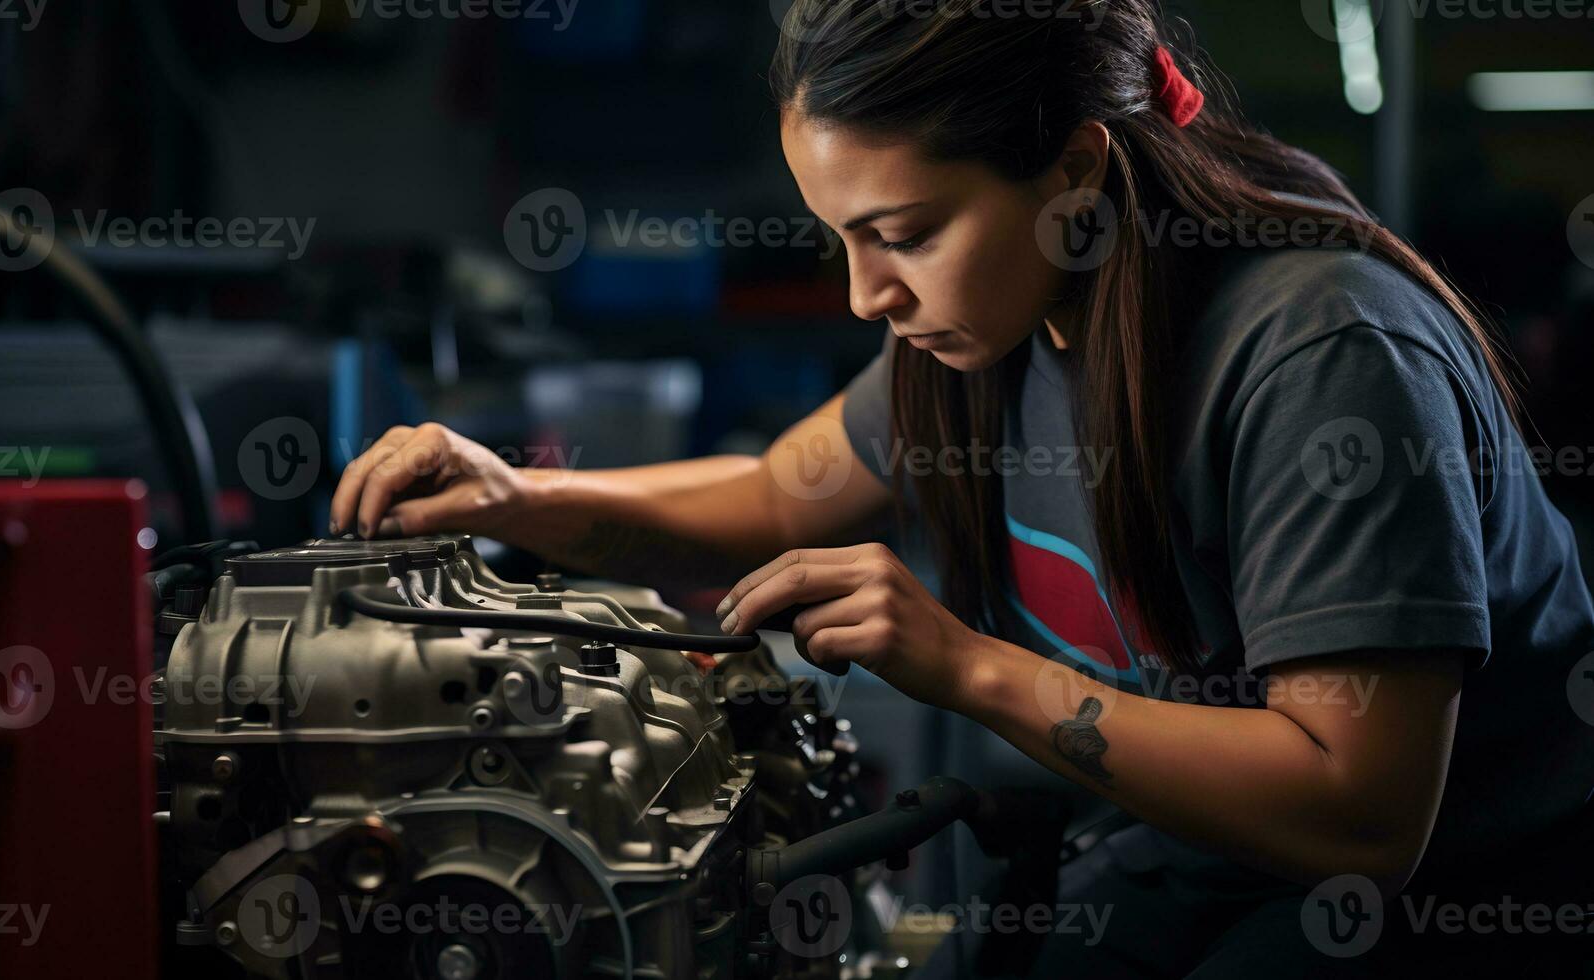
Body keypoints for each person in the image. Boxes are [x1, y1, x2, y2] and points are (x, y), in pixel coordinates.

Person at [330, 1, 1594, 974]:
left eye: (904, 232)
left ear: (1075, 173)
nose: (861, 295)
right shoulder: (994, 325)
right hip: (1215, 857)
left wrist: (964, 663)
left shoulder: (1316, 355)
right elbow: (779, 489)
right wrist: (520, 497)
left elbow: (1354, 815)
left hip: (1447, 890)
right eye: (840, 237)